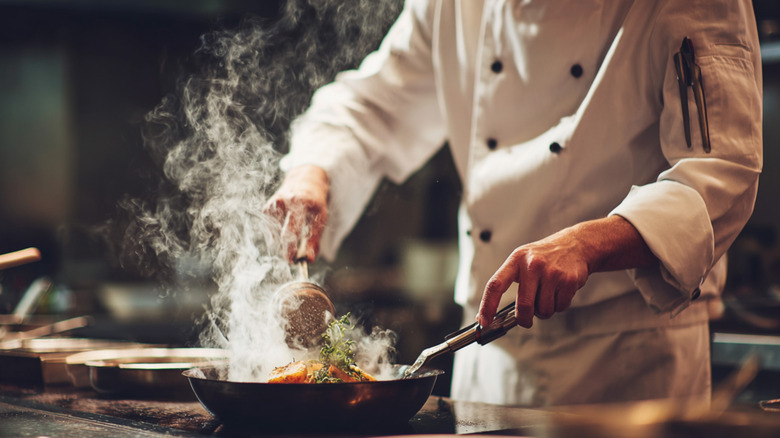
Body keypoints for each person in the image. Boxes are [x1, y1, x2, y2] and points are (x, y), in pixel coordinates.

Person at [266, 0, 762, 406]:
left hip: (625, 361)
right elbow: (372, 105)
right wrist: (314, 169)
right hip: (486, 354)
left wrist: (589, 243)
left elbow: (722, 172)